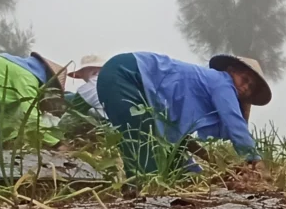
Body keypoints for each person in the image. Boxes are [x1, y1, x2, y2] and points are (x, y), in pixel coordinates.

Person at [93, 52, 269, 178]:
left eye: (250, 88)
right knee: (146, 158)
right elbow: (235, 124)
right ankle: (139, 200)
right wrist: (254, 159)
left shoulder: (196, 93)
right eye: (245, 80)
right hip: (127, 75)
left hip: (124, 77)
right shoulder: (222, 82)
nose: (245, 88)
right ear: (231, 70)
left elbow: (176, 143)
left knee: (175, 165)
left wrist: (199, 171)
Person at [66, 54, 107, 120]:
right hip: (127, 119)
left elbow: (70, 116)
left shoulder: (85, 89)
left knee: (89, 112)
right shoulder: (119, 79)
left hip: (111, 123)